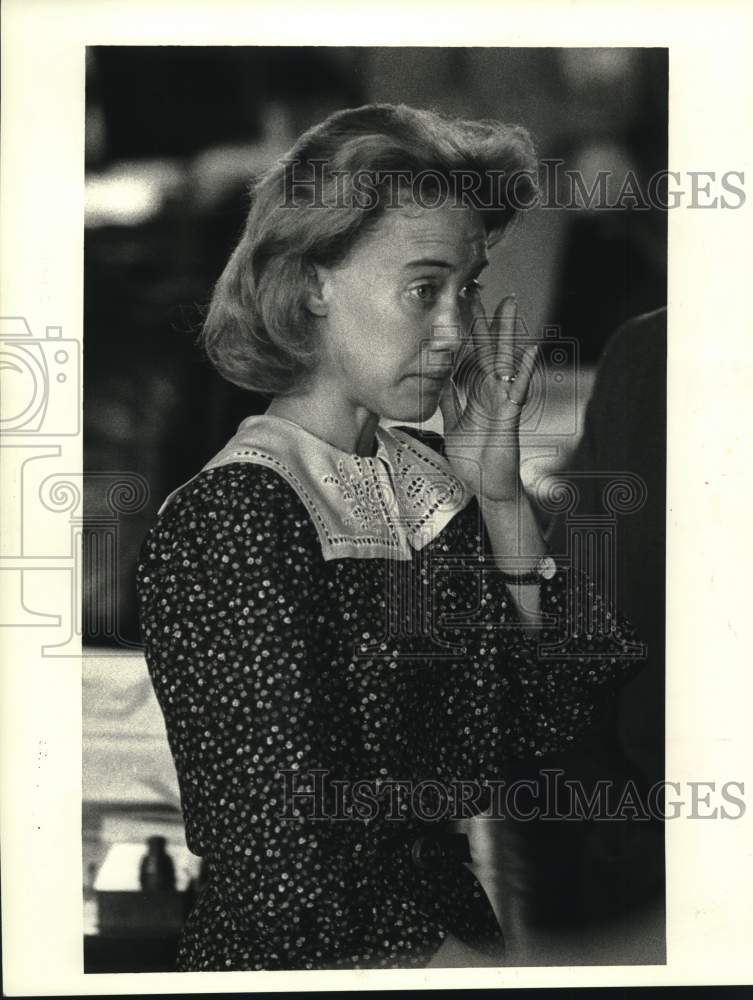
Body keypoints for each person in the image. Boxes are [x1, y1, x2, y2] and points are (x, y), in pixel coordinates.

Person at [136, 103, 645, 972]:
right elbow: (280, 871)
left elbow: (559, 716)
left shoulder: (433, 483)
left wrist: (500, 497)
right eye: (423, 288)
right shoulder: (231, 520)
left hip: (448, 938)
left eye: (467, 287)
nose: (455, 330)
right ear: (311, 285)